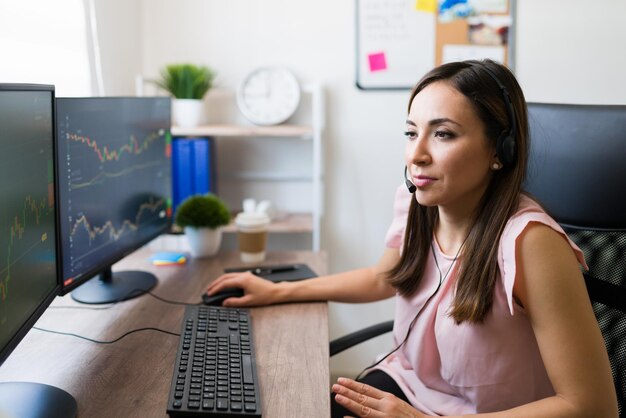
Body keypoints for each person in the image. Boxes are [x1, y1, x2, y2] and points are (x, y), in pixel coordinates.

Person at [205, 59, 618, 417]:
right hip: (408, 389)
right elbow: (384, 277)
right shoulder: (418, 202)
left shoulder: (531, 244)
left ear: (500, 151)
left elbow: (592, 406)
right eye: (410, 132)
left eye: (443, 134)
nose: (416, 154)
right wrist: (277, 290)